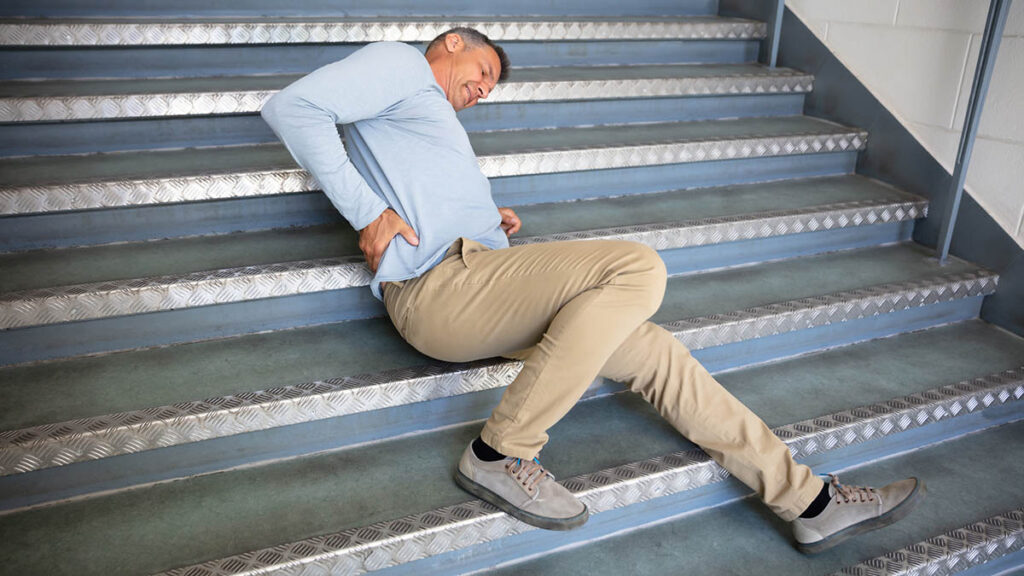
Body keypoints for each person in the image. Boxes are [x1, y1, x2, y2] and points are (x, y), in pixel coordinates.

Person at [260, 27, 924, 554]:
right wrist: (366, 213)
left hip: (477, 280)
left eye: (491, 88)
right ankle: (501, 451)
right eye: (484, 73)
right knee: (638, 267)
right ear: (453, 43)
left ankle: (808, 502)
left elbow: (421, 192)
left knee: (657, 353)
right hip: (438, 289)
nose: (484, 90)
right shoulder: (403, 64)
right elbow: (293, 106)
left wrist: (488, 223)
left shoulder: (426, 119)